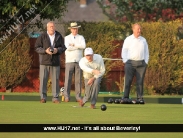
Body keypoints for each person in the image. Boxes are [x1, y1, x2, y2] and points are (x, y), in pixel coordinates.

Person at [35, 21, 66, 103]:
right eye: (50, 26)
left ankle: (55, 98)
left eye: (53, 26)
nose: (52, 28)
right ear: (47, 28)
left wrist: (57, 50)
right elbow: (37, 47)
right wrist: (45, 51)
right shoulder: (42, 36)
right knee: (43, 80)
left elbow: (63, 47)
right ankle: (43, 97)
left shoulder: (59, 35)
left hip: (55, 62)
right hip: (44, 62)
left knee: (55, 80)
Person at [121, 23, 149, 104]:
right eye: (138, 29)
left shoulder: (143, 40)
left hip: (141, 64)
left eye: (140, 29)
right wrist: (125, 61)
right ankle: (125, 97)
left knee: (140, 82)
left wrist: (146, 61)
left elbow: (146, 52)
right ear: (133, 30)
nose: (139, 31)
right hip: (130, 63)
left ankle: (139, 98)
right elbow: (124, 51)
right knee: (128, 81)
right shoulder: (128, 39)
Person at [64, 22, 86, 102]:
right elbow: (67, 47)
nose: (75, 30)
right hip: (69, 60)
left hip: (79, 61)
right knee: (68, 79)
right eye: (73, 29)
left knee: (78, 80)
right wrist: (77, 46)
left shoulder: (81, 37)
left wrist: (74, 45)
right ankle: (66, 96)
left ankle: (78, 97)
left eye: (76, 29)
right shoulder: (67, 38)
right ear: (71, 29)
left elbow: (83, 46)